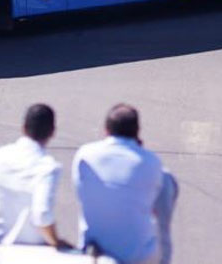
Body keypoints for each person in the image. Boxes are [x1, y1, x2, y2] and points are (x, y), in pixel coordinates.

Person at [72, 104, 168, 264]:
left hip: (94, 253)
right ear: (137, 132)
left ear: (106, 130)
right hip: (139, 256)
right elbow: (153, 204)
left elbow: (81, 193)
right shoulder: (151, 162)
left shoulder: (84, 155)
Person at [0, 104, 69, 248]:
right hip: (34, 251)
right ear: (52, 132)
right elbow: (42, 215)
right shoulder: (47, 167)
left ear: (23, 128)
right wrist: (56, 242)